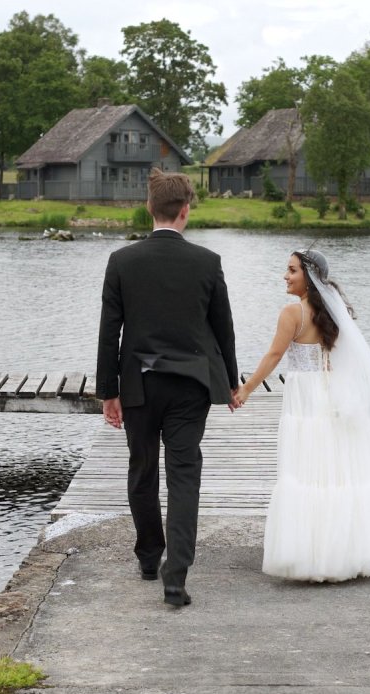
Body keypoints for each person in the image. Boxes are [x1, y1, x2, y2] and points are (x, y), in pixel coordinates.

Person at [96, 168, 239, 608]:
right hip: (191, 386)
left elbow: (109, 332)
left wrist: (109, 392)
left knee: (141, 470)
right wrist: (231, 382)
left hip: (138, 384)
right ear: (185, 211)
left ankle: (147, 556)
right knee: (183, 477)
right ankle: (174, 579)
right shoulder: (207, 262)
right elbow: (223, 330)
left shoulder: (122, 261)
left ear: (149, 208)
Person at [234, 250, 370, 582]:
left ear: (308, 277)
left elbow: (274, 355)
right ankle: (345, 554)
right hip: (331, 392)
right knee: (335, 470)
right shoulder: (333, 314)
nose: (285, 275)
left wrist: (247, 388)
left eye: (292, 270)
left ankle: (311, 557)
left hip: (305, 399)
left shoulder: (291, 313)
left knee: (308, 470)